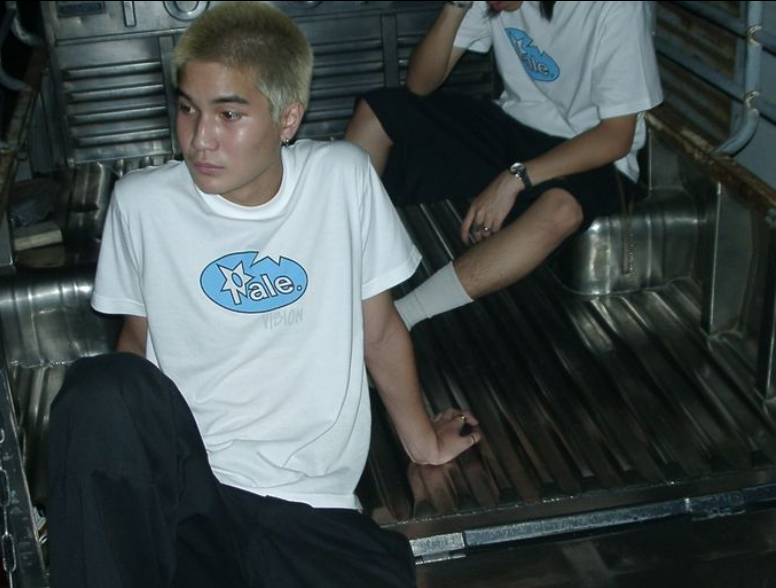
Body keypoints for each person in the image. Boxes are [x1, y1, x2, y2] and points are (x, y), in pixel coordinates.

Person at [45, 3, 481, 587]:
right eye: (188, 108)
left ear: (287, 118)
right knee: (100, 387)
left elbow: (377, 331)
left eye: (228, 114)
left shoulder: (341, 179)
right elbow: (137, 353)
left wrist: (423, 443)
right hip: (189, 489)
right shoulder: (142, 203)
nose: (200, 138)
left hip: (309, 504)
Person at [344, 0, 663, 330]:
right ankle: (338, 267)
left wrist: (515, 178)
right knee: (378, 112)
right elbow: (420, 84)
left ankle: (398, 319)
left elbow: (616, 138)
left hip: (592, 150)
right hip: (515, 123)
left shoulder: (617, 6)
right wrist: (455, 7)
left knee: (561, 210)